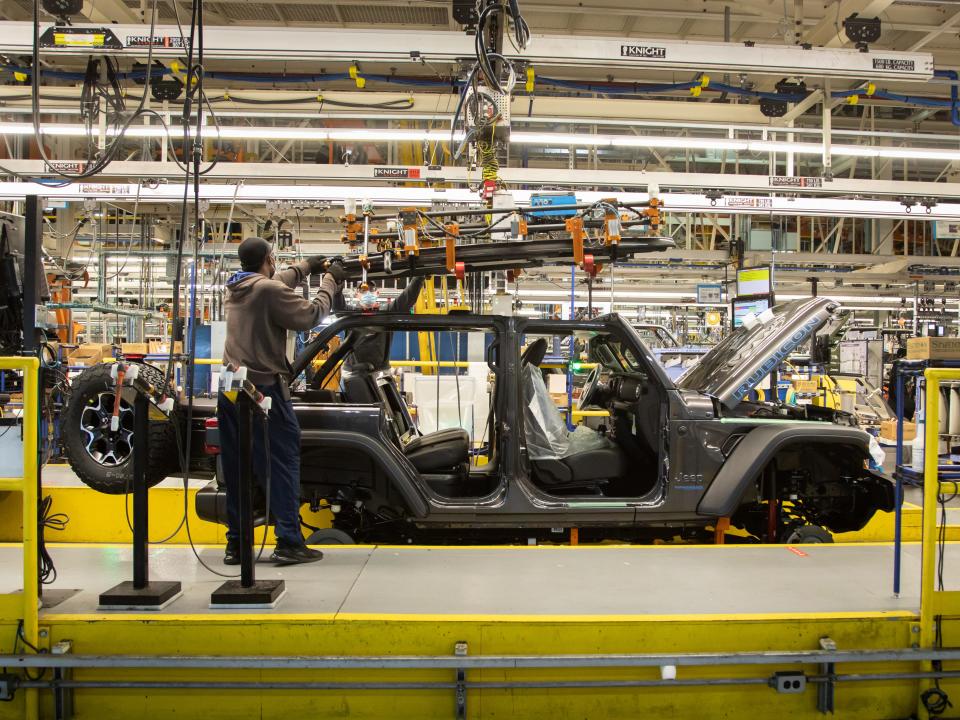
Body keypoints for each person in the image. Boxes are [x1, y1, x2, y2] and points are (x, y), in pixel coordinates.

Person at [219, 237, 345, 565]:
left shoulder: (236, 287)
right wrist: (331, 279)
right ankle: (289, 540)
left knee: (237, 469)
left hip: (231, 391)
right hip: (262, 393)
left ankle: (237, 544)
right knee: (282, 462)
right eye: (273, 259)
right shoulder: (267, 291)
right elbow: (311, 314)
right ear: (268, 259)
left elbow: (275, 283)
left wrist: (307, 268)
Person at [339, 276, 425, 403]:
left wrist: (419, 277)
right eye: (363, 291)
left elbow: (407, 299)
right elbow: (337, 304)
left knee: (385, 413)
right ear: (357, 295)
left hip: (379, 375)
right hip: (351, 376)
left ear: (377, 293)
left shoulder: (387, 313)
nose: (367, 293)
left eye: (371, 289)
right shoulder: (350, 314)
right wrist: (337, 283)